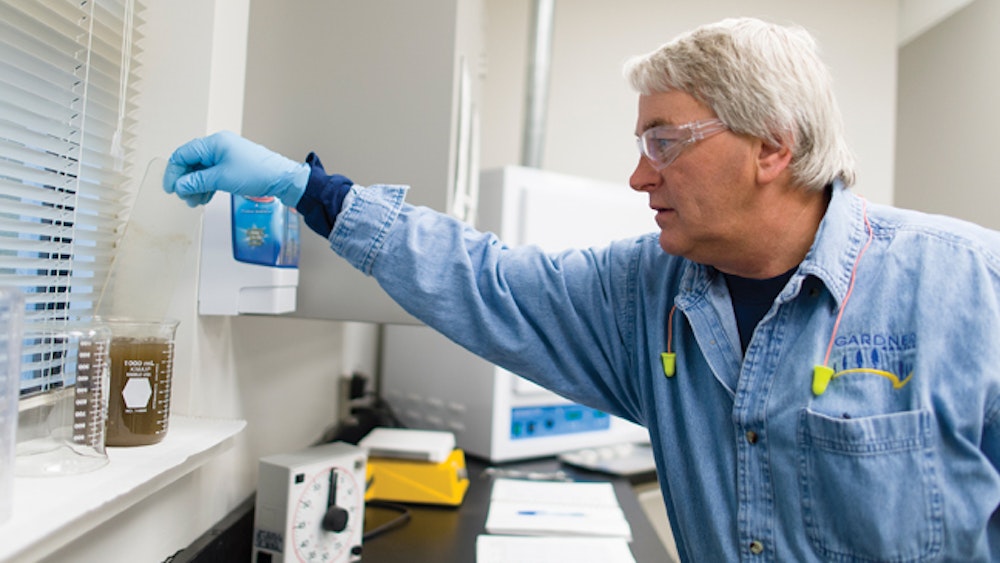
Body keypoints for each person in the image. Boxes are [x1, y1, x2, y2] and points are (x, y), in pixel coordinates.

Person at [163, 17, 1000, 562]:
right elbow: (484, 280)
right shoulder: (647, 293)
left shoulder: (967, 288)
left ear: (773, 147)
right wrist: (307, 190)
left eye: (665, 142)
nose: (640, 174)